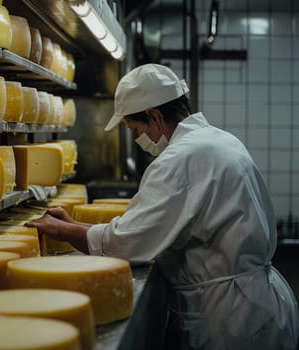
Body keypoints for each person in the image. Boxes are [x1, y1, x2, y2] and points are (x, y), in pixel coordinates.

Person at [26, 63, 299, 350]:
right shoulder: (217, 140)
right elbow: (137, 231)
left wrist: (65, 232)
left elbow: (127, 243)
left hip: (231, 318)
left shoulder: (178, 160)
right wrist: (72, 224)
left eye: (135, 129)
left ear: (153, 116)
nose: (138, 140)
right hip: (256, 302)